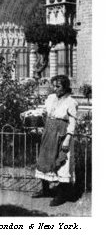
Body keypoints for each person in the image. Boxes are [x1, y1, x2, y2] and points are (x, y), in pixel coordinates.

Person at [23, 75, 78, 207]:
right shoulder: (51, 98)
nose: (54, 88)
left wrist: (67, 139)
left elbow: (72, 122)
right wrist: (31, 113)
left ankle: (62, 195)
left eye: (58, 86)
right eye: (53, 86)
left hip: (62, 135)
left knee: (62, 163)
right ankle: (46, 190)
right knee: (45, 159)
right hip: (49, 132)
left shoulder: (70, 102)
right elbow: (44, 112)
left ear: (65, 87)